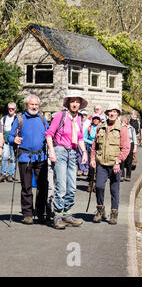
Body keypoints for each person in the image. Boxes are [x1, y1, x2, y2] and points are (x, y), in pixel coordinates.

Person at [45, 92, 88, 230]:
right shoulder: (61, 115)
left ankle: (67, 214)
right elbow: (49, 134)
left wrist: (84, 152)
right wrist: (52, 151)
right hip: (60, 151)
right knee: (61, 186)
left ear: (80, 104)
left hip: (73, 152)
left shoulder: (79, 118)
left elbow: (80, 137)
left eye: (77, 101)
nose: (75, 104)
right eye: (72, 101)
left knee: (72, 186)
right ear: (68, 103)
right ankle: (57, 215)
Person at [8, 95, 49, 225]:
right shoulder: (20, 119)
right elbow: (10, 136)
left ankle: (41, 212)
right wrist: (14, 139)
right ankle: (27, 214)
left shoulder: (42, 118)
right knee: (26, 187)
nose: (34, 107)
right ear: (26, 105)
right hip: (25, 157)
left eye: (36, 104)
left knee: (43, 187)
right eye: (32, 104)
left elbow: (49, 134)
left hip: (41, 157)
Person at [90, 106, 129, 225]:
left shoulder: (122, 129)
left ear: (117, 114)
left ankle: (114, 214)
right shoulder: (100, 127)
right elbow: (94, 145)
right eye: (110, 112)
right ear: (107, 113)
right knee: (99, 187)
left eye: (114, 112)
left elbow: (126, 148)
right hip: (101, 163)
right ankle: (100, 210)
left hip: (115, 165)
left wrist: (118, 161)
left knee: (114, 189)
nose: (112, 114)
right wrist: (92, 158)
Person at [0, 102, 17, 182]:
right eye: (9, 108)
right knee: (5, 157)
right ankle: (2, 174)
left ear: (15, 109)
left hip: (14, 142)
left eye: (12, 109)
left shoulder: (18, 118)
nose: (11, 110)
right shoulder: (3, 119)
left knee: (13, 158)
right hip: (6, 141)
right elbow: (1, 133)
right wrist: (0, 145)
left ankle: (10, 175)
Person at [84, 113, 101, 182]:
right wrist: (90, 142)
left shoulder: (101, 127)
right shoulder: (89, 128)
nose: (96, 120)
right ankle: (90, 182)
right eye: (94, 119)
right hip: (90, 148)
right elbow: (83, 138)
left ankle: (97, 183)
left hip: (99, 149)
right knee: (91, 166)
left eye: (97, 119)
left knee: (99, 167)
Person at [120, 116, 137, 182]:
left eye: (123, 122)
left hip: (130, 144)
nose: (122, 123)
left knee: (129, 161)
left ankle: (128, 175)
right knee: (122, 160)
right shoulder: (120, 128)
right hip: (122, 145)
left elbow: (134, 139)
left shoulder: (131, 128)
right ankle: (122, 175)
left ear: (126, 121)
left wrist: (135, 148)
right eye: (121, 122)